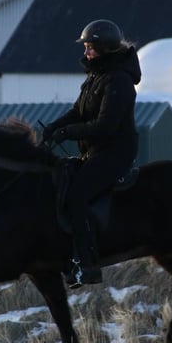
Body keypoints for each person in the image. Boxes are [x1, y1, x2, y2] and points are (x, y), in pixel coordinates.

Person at [42, 19, 141, 288]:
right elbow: (78, 112)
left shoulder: (119, 80)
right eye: (85, 47)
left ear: (106, 48)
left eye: (90, 48)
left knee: (77, 197)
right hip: (95, 152)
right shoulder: (96, 76)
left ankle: (87, 265)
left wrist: (67, 133)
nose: (85, 53)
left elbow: (105, 126)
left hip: (114, 153)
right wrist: (53, 127)